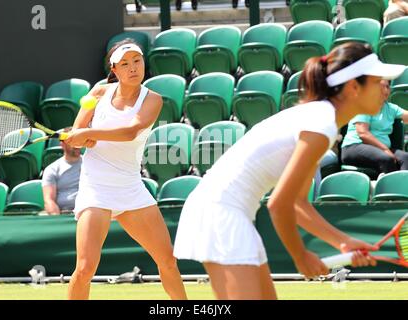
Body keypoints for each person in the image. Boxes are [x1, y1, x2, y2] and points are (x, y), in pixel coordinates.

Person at [173, 42, 406, 300]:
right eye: (377, 82)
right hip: (220, 213)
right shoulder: (321, 124)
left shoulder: (320, 120)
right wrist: (300, 255)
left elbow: (297, 203)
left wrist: (342, 242)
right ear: (353, 87)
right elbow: (279, 204)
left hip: (225, 211)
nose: (385, 89)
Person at [64, 40, 187, 300]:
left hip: (130, 187)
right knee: (85, 268)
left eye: (137, 61)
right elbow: (79, 132)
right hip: (95, 187)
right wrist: (79, 137)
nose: (133, 68)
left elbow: (131, 131)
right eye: (125, 64)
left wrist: (88, 134)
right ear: (114, 69)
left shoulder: (152, 99)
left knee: (168, 261)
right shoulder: (98, 93)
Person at [341, 79, 408, 174]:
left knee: (405, 157)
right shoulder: (364, 104)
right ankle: (391, 188)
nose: (385, 90)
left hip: (380, 149)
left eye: (387, 87)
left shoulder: (391, 108)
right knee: (386, 159)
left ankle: (404, 187)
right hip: (354, 147)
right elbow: (363, 133)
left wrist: (385, 150)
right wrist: (385, 150)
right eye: (381, 87)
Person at [42, 128, 82, 215]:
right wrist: (57, 219)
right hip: (63, 214)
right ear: (62, 144)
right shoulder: (51, 169)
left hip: (87, 213)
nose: (77, 145)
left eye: (78, 141)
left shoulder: (91, 164)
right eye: (72, 141)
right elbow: (49, 200)